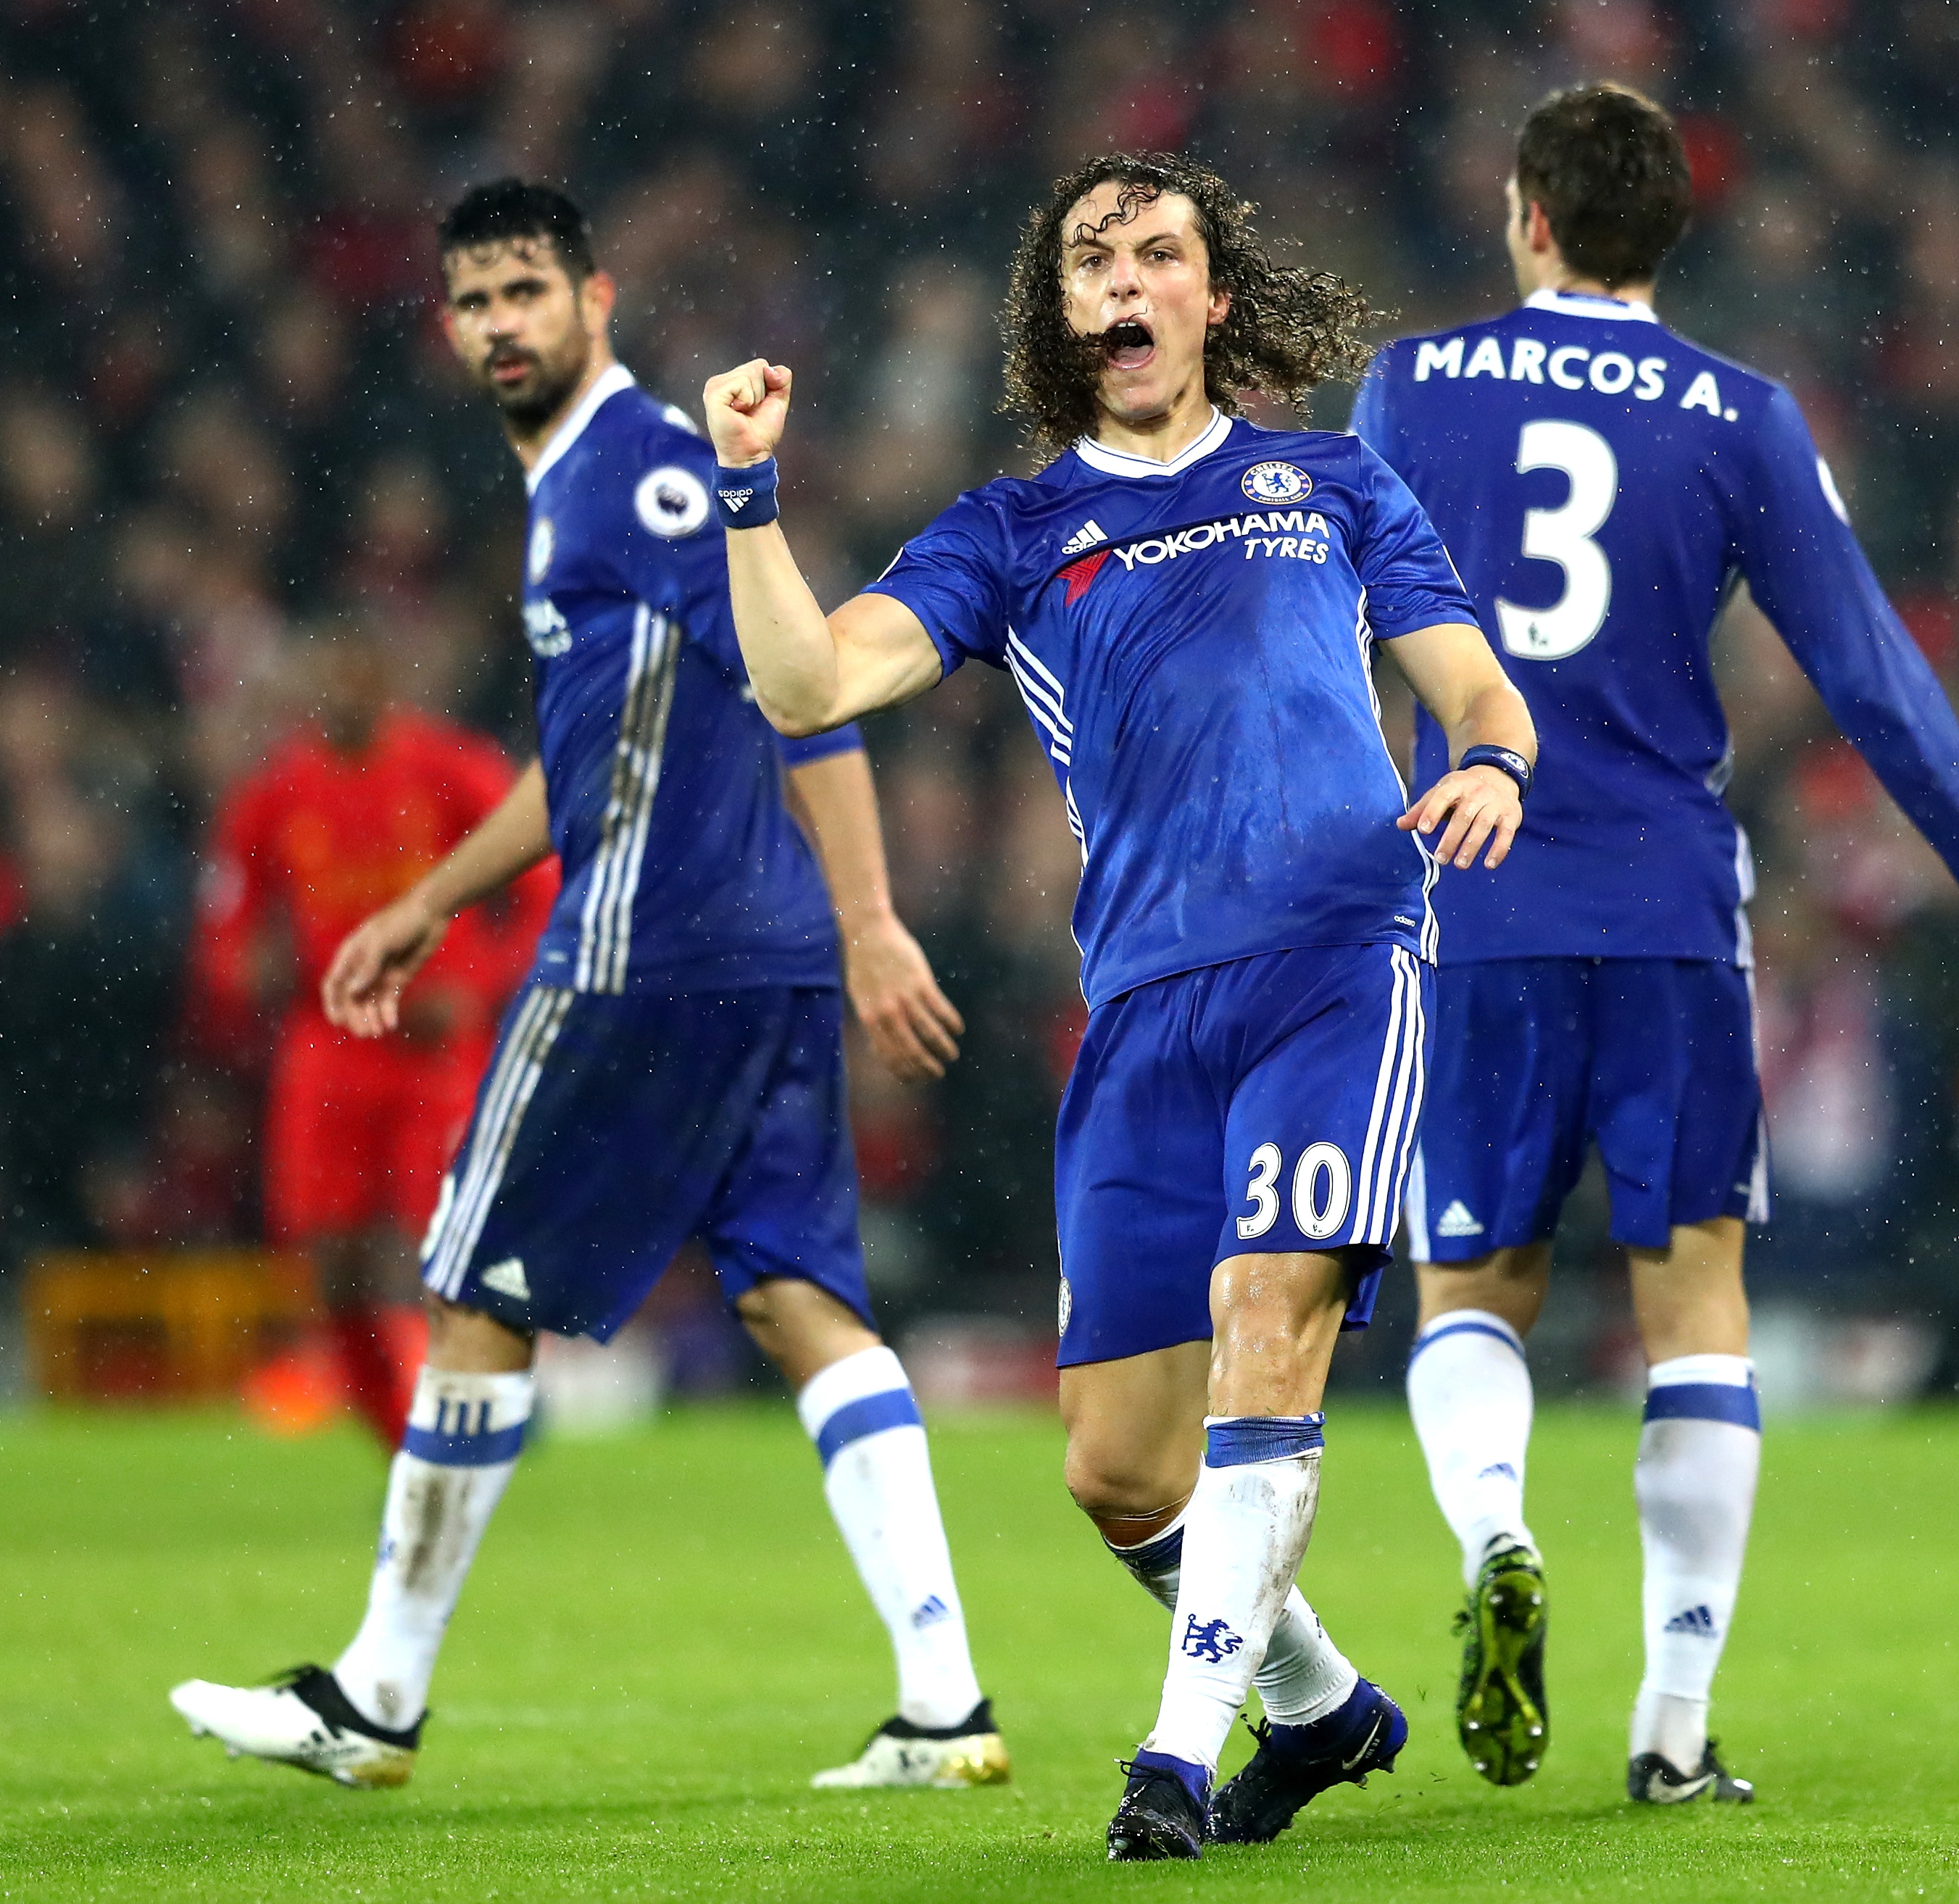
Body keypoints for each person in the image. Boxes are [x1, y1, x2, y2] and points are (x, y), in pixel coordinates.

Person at [700, 151, 1536, 1860]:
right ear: (1063, 312)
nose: (1131, 279)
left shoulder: (1329, 480)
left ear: (1213, 297)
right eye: (1096, 257)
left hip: (1338, 950)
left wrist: (1499, 761)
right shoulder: (1009, 533)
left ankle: (1170, 1757)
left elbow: (1467, 680)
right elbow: (806, 680)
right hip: (1145, 1006)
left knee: (1266, 1316)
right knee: (1113, 1473)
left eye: (1162, 251)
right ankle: (1316, 1707)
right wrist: (744, 490)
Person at [171, 180, 1006, 1795]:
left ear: (595, 299)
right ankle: (943, 1700)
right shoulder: (573, 492)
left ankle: (377, 1693)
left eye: (524, 293)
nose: (499, 324)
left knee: (479, 1287)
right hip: (748, 955)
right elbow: (578, 764)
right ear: (448, 323)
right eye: (472, 299)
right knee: (796, 1295)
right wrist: (429, 897)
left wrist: (876, 915)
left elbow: (803, 686)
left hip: (645, 947)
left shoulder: (637, 474)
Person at [1352, 84, 1959, 1805]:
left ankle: (1496, 1535)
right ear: (1669, 235)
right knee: (1692, 1297)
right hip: (1661, 906)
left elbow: (1326, 633)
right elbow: (1876, 684)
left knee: (1471, 1281)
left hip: (1468, 891)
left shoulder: (1413, 386)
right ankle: (1671, 1724)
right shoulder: (1738, 415)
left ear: (1528, 217)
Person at [196, 616, 552, 1447]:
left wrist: (476, 984)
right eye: (327, 674)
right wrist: (240, 968)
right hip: (327, 1048)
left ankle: (477, 1398)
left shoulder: (451, 769)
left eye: (357, 672)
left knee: (430, 1243)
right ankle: (405, 1437)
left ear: (386, 678)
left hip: (433, 1053)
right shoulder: (275, 794)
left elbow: (542, 891)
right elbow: (225, 921)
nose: (341, 691)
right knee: (331, 1268)